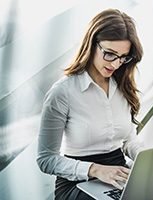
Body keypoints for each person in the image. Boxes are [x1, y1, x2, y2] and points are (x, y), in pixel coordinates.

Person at [36, 8, 144, 200]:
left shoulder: (123, 86)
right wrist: (94, 170)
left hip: (118, 173)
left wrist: (149, 160)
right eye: (110, 54)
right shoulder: (63, 92)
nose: (115, 64)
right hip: (76, 182)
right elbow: (46, 160)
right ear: (91, 44)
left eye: (122, 57)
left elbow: (129, 140)